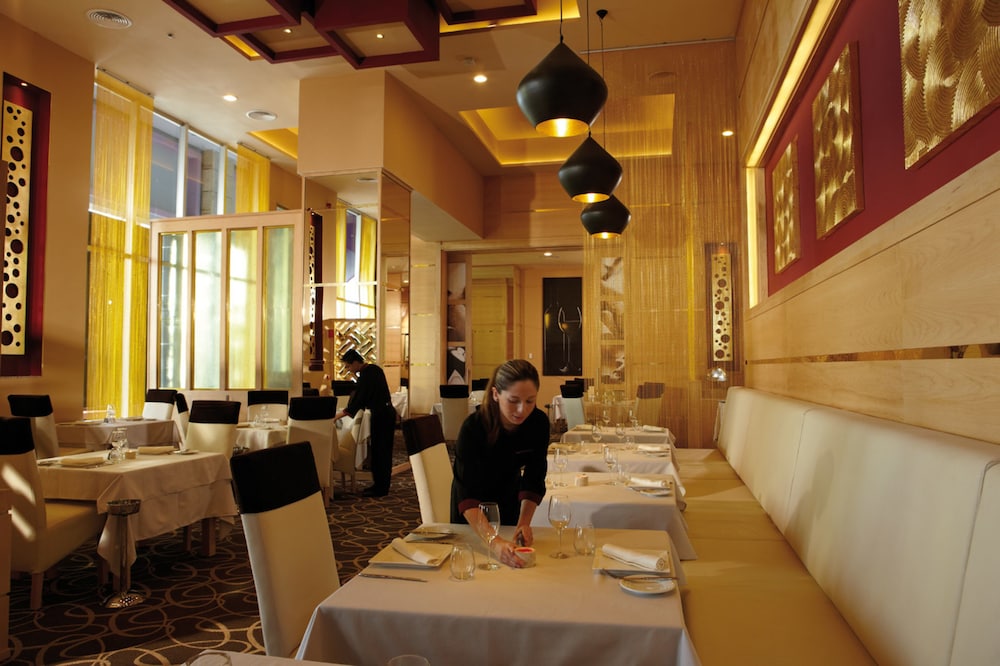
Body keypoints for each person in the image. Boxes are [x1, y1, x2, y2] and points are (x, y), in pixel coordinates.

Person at [450, 359, 550, 568]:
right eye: (513, 400)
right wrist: (493, 542)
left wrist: (523, 523)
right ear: (496, 394)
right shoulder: (473, 428)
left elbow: (534, 476)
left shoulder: (538, 423)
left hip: (508, 501)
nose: (522, 410)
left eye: (530, 401)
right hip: (472, 512)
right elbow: (466, 494)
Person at [335, 349, 397, 498]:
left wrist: (338, 416)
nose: (349, 370)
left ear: (356, 362)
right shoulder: (373, 370)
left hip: (382, 415)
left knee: (380, 452)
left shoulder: (367, 375)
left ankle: (380, 488)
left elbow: (358, 401)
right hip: (385, 413)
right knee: (381, 452)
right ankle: (380, 485)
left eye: (349, 366)